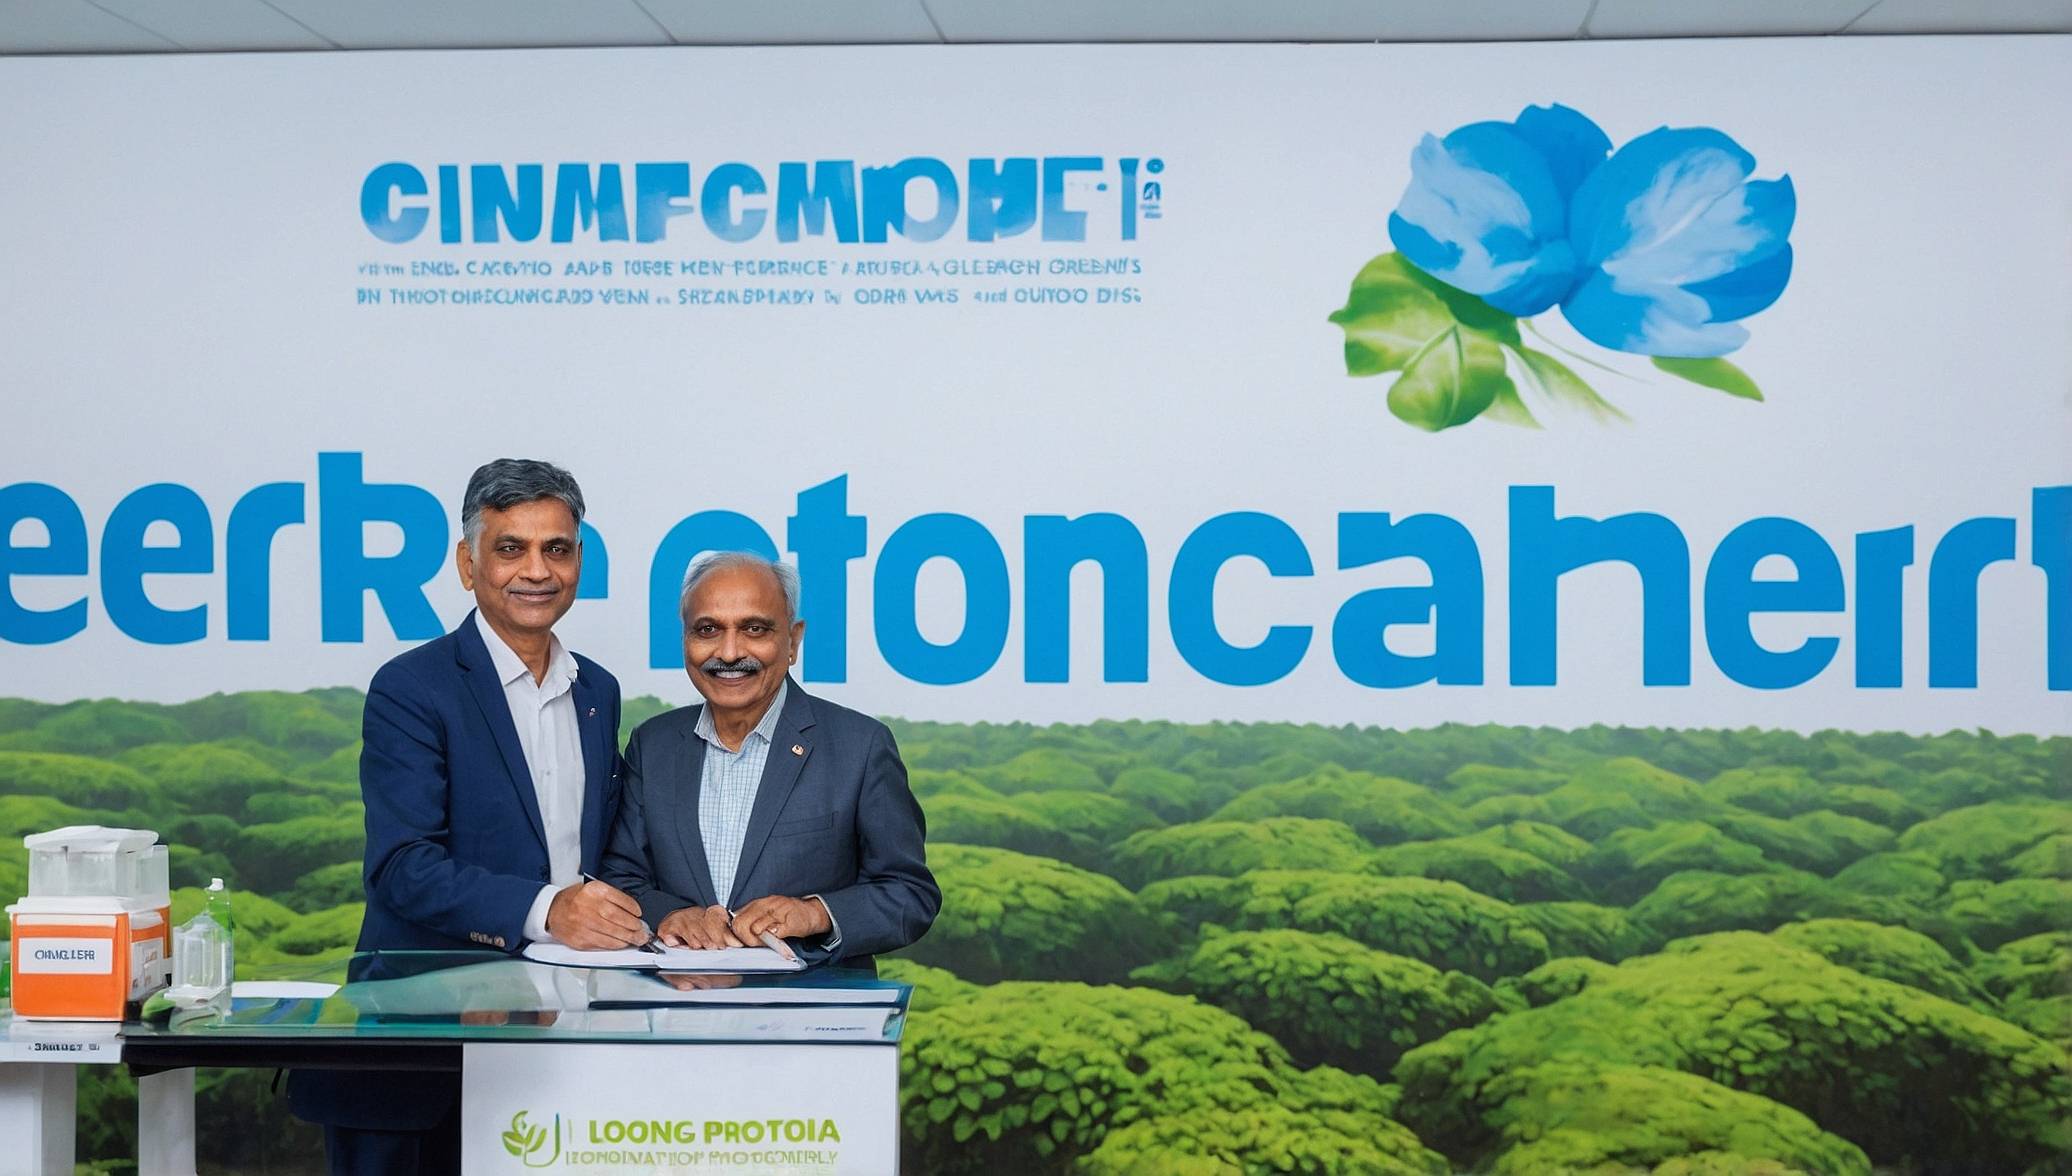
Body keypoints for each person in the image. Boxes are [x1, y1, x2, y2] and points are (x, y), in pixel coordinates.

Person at [289, 458, 644, 1175]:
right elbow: (402, 866)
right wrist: (549, 910)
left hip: (557, 1051)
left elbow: (596, 855)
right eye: (511, 548)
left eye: (556, 548)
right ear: (467, 563)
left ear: (579, 561)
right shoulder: (411, 688)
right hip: (418, 1053)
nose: (536, 570)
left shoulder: (597, 691)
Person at [600, 551, 939, 972]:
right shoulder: (653, 744)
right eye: (707, 629)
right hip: (678, 1001)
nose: (728, 652)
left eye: (754, 629)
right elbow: (620, 876)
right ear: (685, 639)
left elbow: (910, 893)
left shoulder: (861, 746)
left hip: (808, 1006)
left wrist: (815, 913)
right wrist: (670, 914)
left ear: (793, 641)